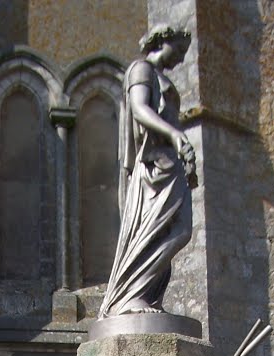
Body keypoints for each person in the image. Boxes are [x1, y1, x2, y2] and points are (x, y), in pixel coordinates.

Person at [98, 25, 196, 320]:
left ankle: (143, 292)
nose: (179, 60)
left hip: (169, 163)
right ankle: (130, 295)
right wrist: (176, 135)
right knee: (168, 230)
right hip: (155, 165)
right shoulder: (141, 70)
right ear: (161, 41)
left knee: (177, 230)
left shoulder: (158, 76)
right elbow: (140, 109)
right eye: (177, 51)